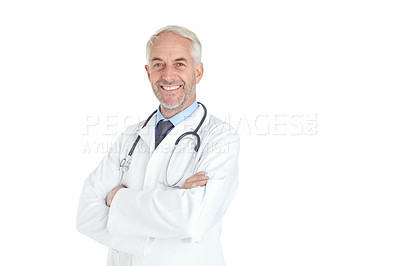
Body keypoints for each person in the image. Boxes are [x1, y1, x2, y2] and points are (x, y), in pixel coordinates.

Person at [77, 25, 240, 266]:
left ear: (198, 72)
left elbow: (192, 220)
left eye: (180, 64)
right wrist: (170, 205)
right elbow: (86, 215)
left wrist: (118, 198)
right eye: (158, 64)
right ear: (148, 72)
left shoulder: (221, 138)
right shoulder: (129, 137)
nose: (168, 75)